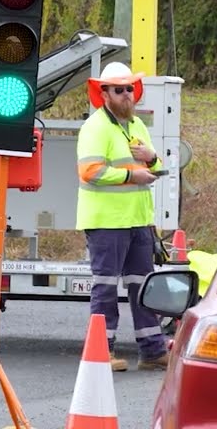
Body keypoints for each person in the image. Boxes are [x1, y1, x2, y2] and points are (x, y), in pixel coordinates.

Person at [75, 61, 169, 371]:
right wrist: (133, 177)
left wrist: (151, 159)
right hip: (106, 222)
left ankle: (153, 351)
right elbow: (90, 172)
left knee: (142, 285)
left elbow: (154, 169)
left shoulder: (137, 126)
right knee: (105, 287)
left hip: (137, 220)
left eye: (129, 88)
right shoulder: (95, 127)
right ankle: (101, 352)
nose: (126, 94)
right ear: (104, 94)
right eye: (119, 90)